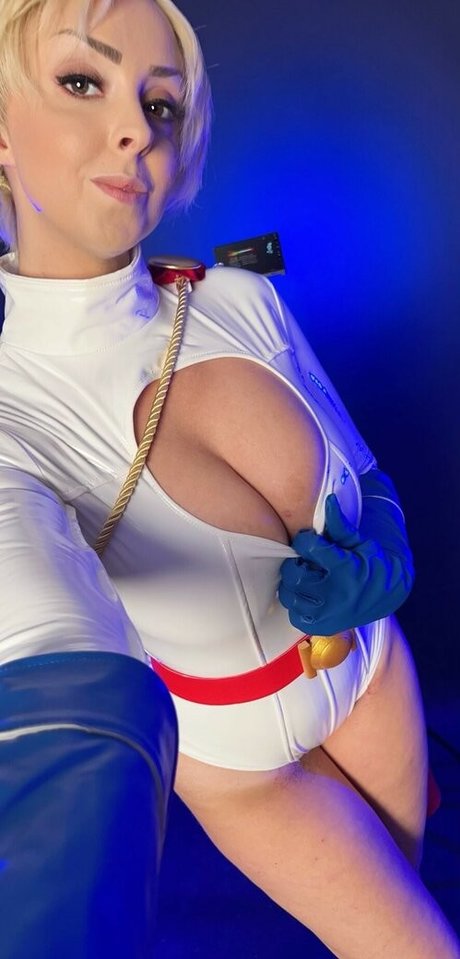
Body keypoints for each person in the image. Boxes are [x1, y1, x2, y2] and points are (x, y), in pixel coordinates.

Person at [0, 2, 457, 958]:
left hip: (375, 672)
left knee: (419, 899)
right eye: (82, 81)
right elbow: (42, 663)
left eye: (160, 104)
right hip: (246, 767)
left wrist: (384, 553)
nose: (136, 129)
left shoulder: (239, 296)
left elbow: (365, 470)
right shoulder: (11, 417)